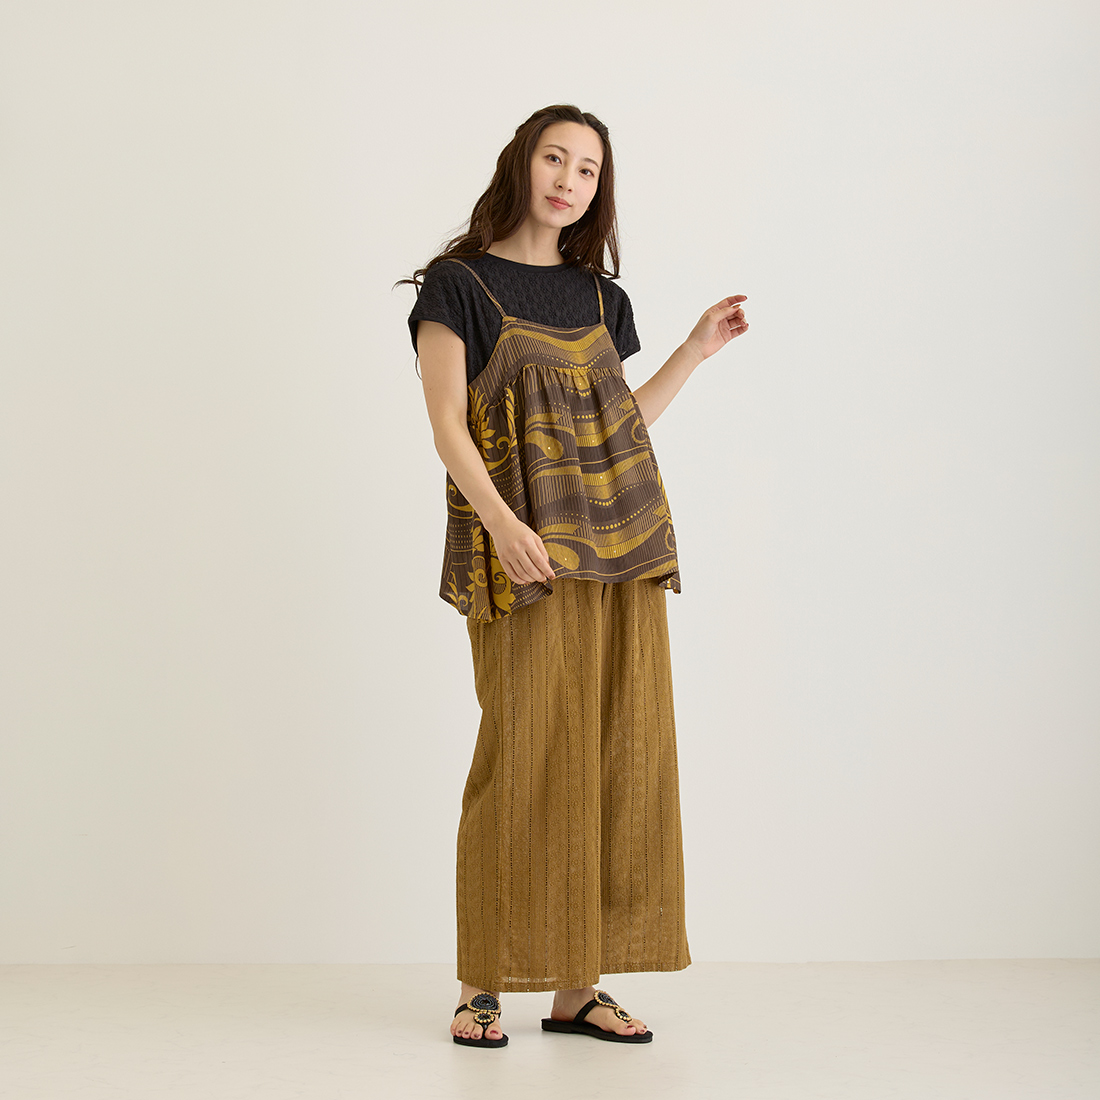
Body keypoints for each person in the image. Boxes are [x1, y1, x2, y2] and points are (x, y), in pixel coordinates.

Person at [396, 104, 748, 1048]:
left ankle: (575, 989)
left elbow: (615, 426)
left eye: (587, 169)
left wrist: (693, 351)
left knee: (613, 753)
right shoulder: (458, 285)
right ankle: (479, 984)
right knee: (522, 758)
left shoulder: (600, 298)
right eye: (555, 158)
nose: (568, 179)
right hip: (522, 557)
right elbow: (447, 426)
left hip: (621, 550)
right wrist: (501, 521)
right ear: (523, 163)